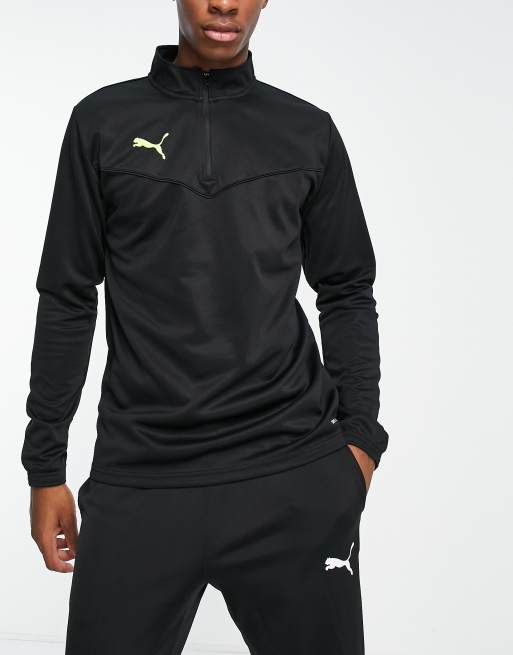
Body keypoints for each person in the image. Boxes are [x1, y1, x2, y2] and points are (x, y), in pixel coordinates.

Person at [22, 1, 389, 653]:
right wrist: (45, 466)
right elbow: (67, 296)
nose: (224, 3)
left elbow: (346, 287)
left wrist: (359, 437)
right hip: (141, 479)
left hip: (290, 476)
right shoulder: (102, 122)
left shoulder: (305, 131)